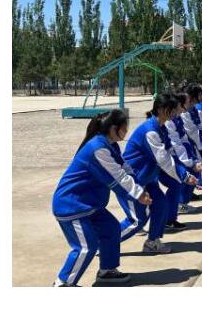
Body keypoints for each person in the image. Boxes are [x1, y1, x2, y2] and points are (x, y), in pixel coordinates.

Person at [52, 109, 151, 287]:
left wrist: (139, 187)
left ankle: (107, 271)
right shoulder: (98, 148)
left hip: (90, 204)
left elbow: (125, 169)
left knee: (111, 229)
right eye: (124, 127)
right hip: (72, 205)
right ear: (113, 128)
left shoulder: (110, 145)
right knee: (85, 246)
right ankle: (63, 283)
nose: (126, 131)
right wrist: (138, 194)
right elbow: (117, 177)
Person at [118, 94, 198, 253]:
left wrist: (185, 171)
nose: (176, 112)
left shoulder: (162, 128)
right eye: (172, 109)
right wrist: (184, 176)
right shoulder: (150, 131)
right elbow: (164, 160)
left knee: (161, 204)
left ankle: (152, 242)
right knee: (137, 220)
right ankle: (104, 242)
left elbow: (169, 154)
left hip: (147, 178)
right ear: (161, 110)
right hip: (133, 180)